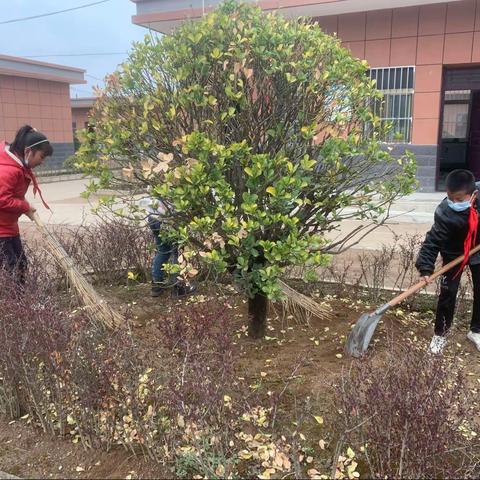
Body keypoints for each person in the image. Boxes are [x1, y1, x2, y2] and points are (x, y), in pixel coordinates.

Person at [416, 169, 480, 354]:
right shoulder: (445, 213)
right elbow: (432, 241)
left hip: (477, 251)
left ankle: (476, 331)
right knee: (447, 294)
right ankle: (440, 335)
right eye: (450, 198)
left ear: (473, 194)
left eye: (459, 200)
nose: (454, 203)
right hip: (454, 254)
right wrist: (425, 269)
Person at [0, 125, 52, 283]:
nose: (42, 162)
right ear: (28, 151)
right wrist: (24, 207)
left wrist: (24, 204)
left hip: (9, 227)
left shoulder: (18, 166)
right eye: (42, 157)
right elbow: (2, 198)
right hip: (1, 231)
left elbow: (12, 195)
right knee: (11, 271)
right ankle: (14, 305)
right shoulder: (8, 170)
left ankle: (22, 304)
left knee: (20, 266)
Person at [138, 194, 195, 298]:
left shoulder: (154, 179)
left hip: (153, 217)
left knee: (163, 250)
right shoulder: (174, 180)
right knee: (179, 252)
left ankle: (156, 286)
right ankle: (178, 288)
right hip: (168, 220)